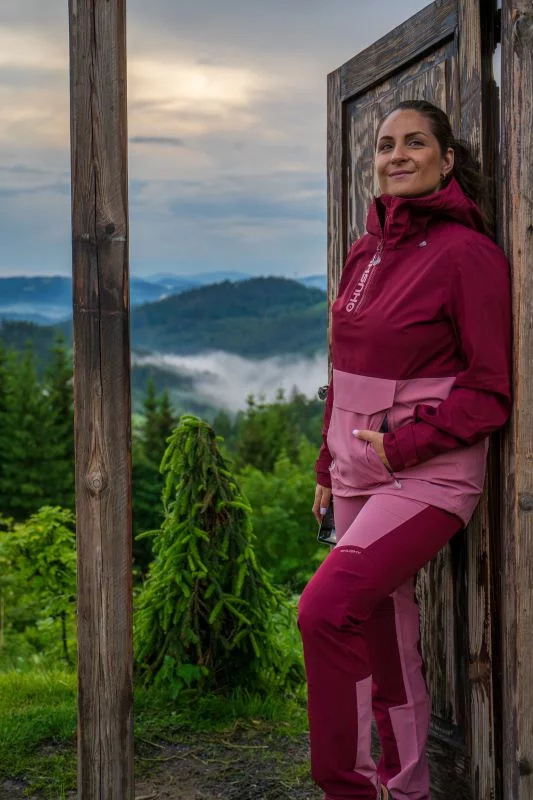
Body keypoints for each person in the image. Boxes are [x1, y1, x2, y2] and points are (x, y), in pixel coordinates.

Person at [297, 100, 512, 800]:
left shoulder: (467, 255)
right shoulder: (366, 250)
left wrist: (400, 448)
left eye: (414, 143)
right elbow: (343, 368)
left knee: (324, 610)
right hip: (357, 470)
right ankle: (407, 787)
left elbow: (489, 392)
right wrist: (328, 463)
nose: (396, 155)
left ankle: (347, 789)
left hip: (427, 474)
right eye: (386, 144)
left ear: (445, 161)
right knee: (385, 636)